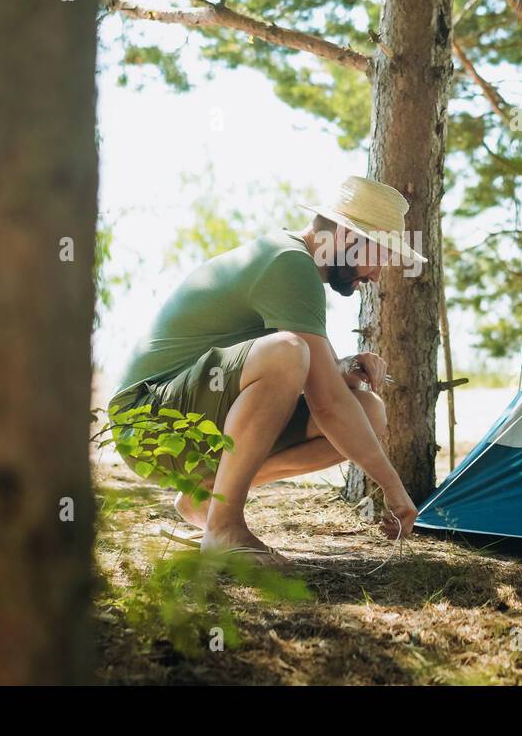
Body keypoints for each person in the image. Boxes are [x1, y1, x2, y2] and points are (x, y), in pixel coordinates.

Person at [109, 176, 425, 566]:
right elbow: (324, 400)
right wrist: (394, 488)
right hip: (146, 422)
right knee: (287, 353)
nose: (377, 276)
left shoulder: (295, 265)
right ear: (347, 236)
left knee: (368, 409)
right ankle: (223, 528)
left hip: (187, 418)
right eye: (381, 255)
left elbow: (322, 383)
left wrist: (340, 367)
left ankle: (207, 493)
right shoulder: (290, 263)